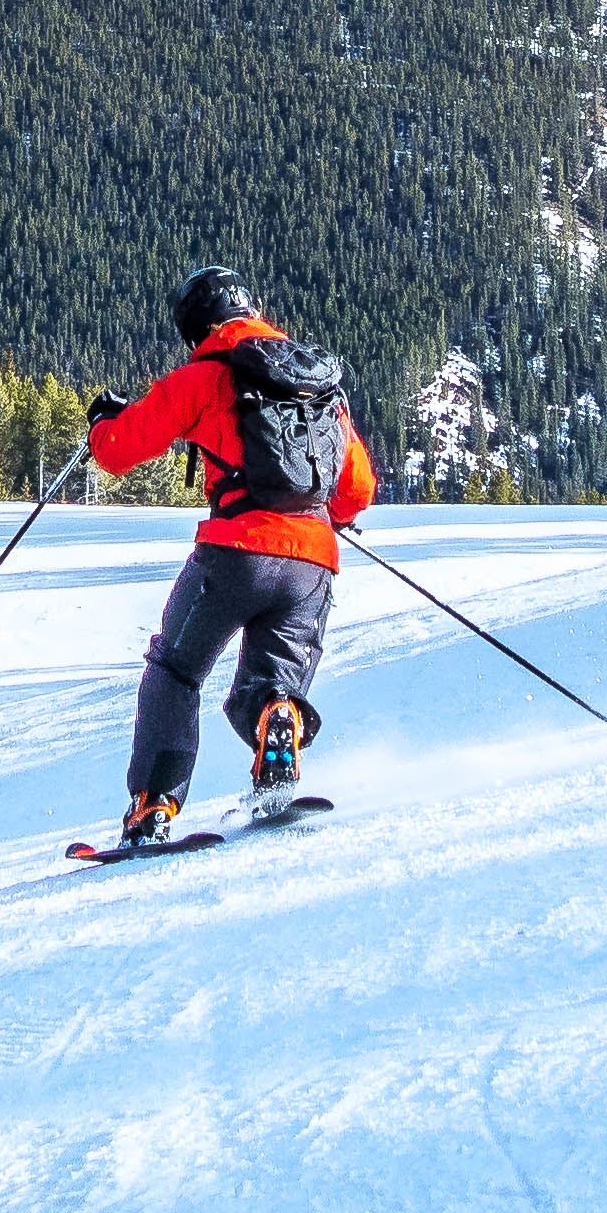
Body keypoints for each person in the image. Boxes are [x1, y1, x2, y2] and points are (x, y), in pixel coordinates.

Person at [82, 262, 373, 852]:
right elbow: (357, 489)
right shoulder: (315, 383)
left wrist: (102, 422)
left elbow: (119, 451)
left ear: (196, 326)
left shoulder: (204, 374)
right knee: (272, 682)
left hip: (235, 553)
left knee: (174, 669)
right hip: (313, 561)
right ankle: (275, 740)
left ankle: (152, 808)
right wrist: (324, 518)